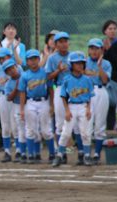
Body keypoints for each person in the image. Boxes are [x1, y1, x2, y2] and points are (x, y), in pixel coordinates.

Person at [52, 52, 94, 167]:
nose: (80, 65)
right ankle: (59, 155)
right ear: (71, 65)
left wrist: (89, 109)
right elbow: (64, 97)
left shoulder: (87, 79)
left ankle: (86, 156)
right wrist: (66, 110)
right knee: (66, 132)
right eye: (77, 63)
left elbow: (90, 96)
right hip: (71, 106)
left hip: (83, 106)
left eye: (81, 63)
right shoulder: (67, 79)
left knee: (85, 133)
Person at [19, 49, 55, 164]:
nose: (33, 61)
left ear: (39, 60)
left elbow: (50, 89)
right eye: (30, 59)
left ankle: (52, 154)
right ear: (27, 62)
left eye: (35, 58)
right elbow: (22, 92)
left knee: (46, 130)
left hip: (44, 101)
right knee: (30, 129)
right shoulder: (25, 75)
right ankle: (31, 154)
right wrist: (21, 109)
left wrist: (52, 104)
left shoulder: (44, 73)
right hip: (30, 102)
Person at [85, 38, 112, 164]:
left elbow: (105, 80)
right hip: (87, 94)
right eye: (92, 48)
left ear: (102, 50)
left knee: (100, 125)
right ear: (89, 50)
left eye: (97, 48)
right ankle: (86, 154)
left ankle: (96, 154)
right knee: (86, 124)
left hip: (101, 92)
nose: (94, 51)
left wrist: (100, 67)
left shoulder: (106, 64)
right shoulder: (84, 62)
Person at [46, 31, 71, 163]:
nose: (63, 44)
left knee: (76, 124)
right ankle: (62, 153)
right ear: (55, 44)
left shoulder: (73, 56)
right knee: (60, 123)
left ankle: (78, 153)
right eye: (60, 41)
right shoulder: (52, 58)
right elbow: (48, 77)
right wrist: (59, 71)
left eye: (65, 41)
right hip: (60, 88)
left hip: (74, 89)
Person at [0, 48, 22, 162]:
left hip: (16, 98)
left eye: (3, 57)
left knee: (16, 124)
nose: (1, 60)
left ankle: (19, 150)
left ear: (9, 56)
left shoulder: (17, 68)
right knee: (5, 125)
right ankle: (7, 151)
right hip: (3, 96)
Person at [102, 20, 117, 130]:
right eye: (110, 29)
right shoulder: (100, 44)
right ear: (105, 31)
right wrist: (105, 50)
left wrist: (109, 50)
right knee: (109, 107)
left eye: (115, 28)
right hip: (106, 79)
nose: (112, 31)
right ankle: (109, 129)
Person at [3, 59, 27, 163]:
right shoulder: (8, 84)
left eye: (12, 68)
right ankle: (22, 152)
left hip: (29, 103)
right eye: (8, 70)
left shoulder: (25, 75)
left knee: (32, 128)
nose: (11, 71)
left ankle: (33, 152)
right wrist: (17, 88)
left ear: (16, 67)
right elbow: (9, 98)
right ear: (7, 73)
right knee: (20, 128)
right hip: (17, 105)